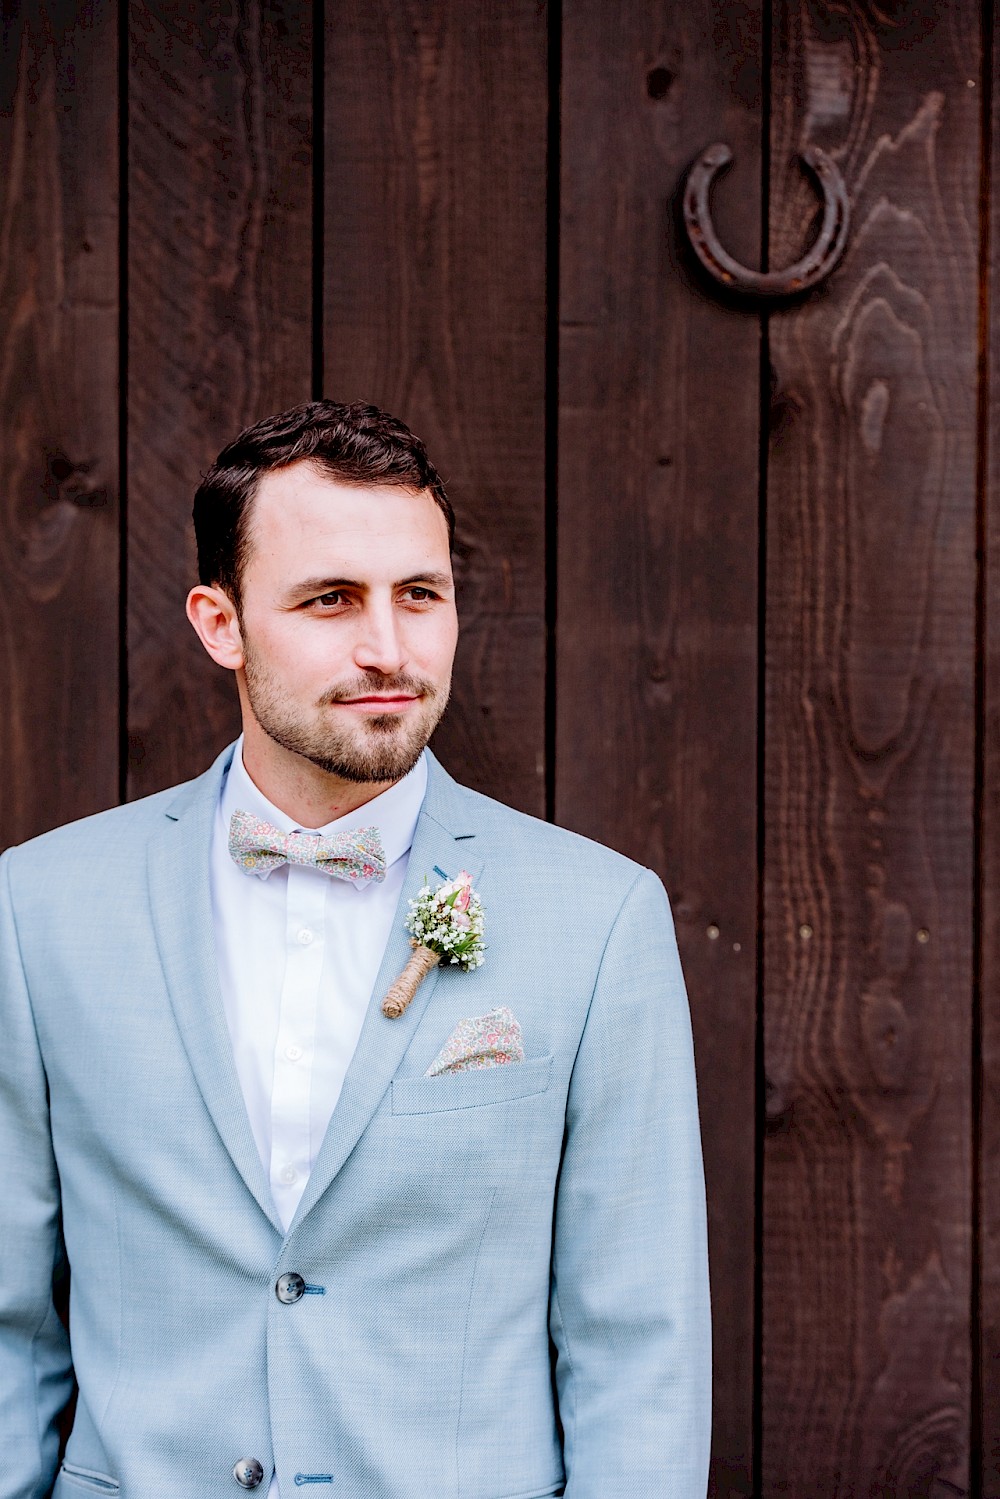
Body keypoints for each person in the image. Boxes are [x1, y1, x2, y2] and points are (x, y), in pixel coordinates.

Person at [0, 400, 711, 1498]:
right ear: (219, 621)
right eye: (330, 598)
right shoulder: (37, 907)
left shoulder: (601, 917)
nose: (388, 647)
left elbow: (640, 1350)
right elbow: (6, 1323)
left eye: (418, 595)